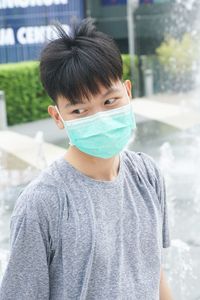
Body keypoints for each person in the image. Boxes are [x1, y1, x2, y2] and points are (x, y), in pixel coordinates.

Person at [0, 18, 173, 300]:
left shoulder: (148, 175)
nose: (100, 118)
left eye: (109, 101)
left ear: (128, 91)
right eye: (80, 111)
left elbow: (156, 274)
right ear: (58, 117)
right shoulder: (42, 203)